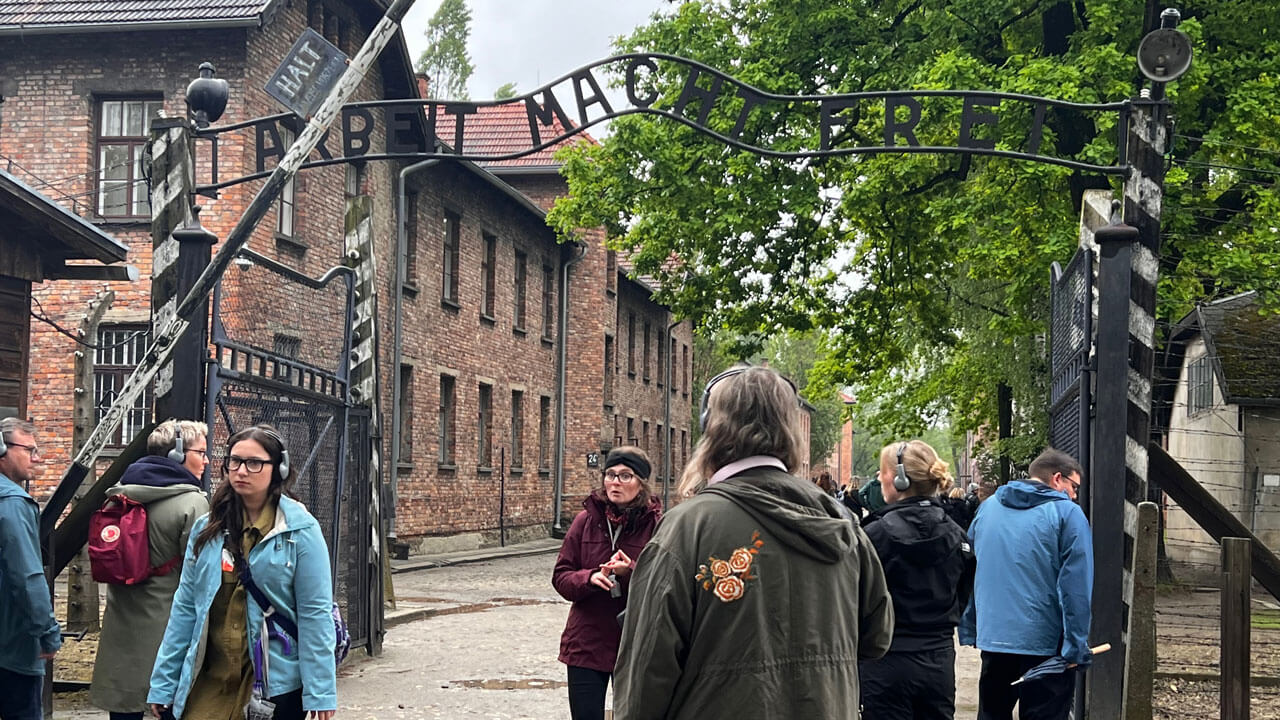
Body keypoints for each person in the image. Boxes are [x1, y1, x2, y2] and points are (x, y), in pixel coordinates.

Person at [613, 365, 893, 719]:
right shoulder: (842, 523)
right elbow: (877, 637)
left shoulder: (686, 529)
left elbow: (645, 673)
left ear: (711, 428)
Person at [148, 425, 336, 720]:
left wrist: (320, 692)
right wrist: (163, 683)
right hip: (210, 681)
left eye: (254, 463)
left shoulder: (300, 531)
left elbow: (315, 614)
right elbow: (185, 609)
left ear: (279, 469)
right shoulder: (207, 529)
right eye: (235, 461)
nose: (241, 471)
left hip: (273, 684)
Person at [959, 447, 1093, 720]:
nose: (1076, 494)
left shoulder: (988, 508)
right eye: (1074, 486)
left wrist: (971, 625)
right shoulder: (1068, 514)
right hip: (1046, 646)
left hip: (995, 640)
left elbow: (971, 570)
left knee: (992, 713)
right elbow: (1075, 586)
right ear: (1058, 478)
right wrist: (1076, 644)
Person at [91, 420, 211, 720]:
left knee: (124, 709)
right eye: (201, 452)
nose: (206, 460)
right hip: (167, 630)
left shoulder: (119, 495)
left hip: (121, 625)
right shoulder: (193, 503)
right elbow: (201, 573)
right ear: (178, 454)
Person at [860, 440, 975, 719]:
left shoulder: (873, 535)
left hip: (885, 660)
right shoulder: (957, 535)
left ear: (899, 479)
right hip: (938, 658)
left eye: (882, 471)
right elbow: (963, 593)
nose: (879, 478)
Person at [551, 446, 662, 720]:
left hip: (634, 642)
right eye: (610, 474)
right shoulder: (585, 521)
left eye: (626, 476)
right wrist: (588, 577)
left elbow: (665, 584)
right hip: (587, 641)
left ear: (641, 483)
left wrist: (630, 572)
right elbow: (561, 576)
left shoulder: (657, 525)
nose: (615, 482)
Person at [0, 418, 60, 720]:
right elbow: (27, 577)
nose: (37, 458)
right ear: (2, 449)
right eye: (30, 450)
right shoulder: (12, 503)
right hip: (13, 649)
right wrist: (48, 633)